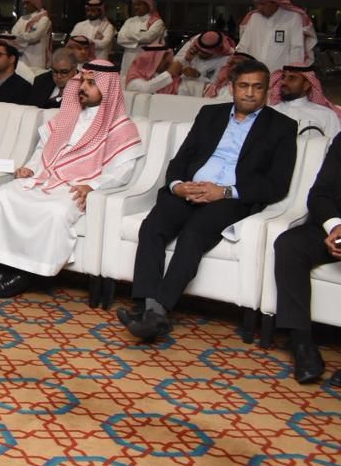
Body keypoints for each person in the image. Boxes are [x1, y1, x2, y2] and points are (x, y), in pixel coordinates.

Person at [120, 59, 297, 341]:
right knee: (153, 226)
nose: (250, 93)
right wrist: (178, 186)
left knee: (193, 234)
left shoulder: (282, 126)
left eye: (257, 87)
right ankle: (145, 306)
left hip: (230, 198)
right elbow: (181, 159)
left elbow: (276, 184)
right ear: (232, 88)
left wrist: (224, 191)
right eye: (244, 86)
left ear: (266, 91)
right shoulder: (210, 114)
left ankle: (157, 311)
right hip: (190, 189)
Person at [0, 61, 145, 299]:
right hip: (46, 178)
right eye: (82, 81)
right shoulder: (68, 115)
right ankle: (2, 268)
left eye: (91, 83)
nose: (82, 88)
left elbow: (122, 171)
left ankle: (27, 273)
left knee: (54, 212)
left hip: (76, 186)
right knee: (0, 197)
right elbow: (43, 149)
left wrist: (92, 186)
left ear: (108, 89)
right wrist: (30, 168)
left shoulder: (121, 127)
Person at [271, 136, 341, 386]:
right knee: (289, 245)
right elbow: (320, 194)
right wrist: (335, 226)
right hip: (336, 228)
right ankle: (301, 344)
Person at [237, 0, 317, 74]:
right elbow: (243, 46)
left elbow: (296, 49)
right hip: (254, 75)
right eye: (257, 4)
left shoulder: (293, 17)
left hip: (281, 77)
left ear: (275, 2)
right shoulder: (254, 18)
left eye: (263, 4)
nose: (259, 7)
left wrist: (292, 74)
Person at [270, 63, 341, 139]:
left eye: (291, 78)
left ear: (306, 85)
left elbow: (335, 145)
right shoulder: (269, 112)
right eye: (283, 77)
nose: (283, 82)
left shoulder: (326, 115)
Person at [117, 0, 166, 79]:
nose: (136, 7)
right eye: (135, 5)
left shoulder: (157, 22)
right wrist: (139, 41)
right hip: (128, 59)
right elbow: (120, 39)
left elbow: (148, 37)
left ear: (148, 5)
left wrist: (128, 35)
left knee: (142, 83)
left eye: (139, 4)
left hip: (146, 59)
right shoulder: (129, 21)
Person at [174, 30, 233, 96]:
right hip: (180, 90)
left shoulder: (226, 60)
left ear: (216, 52)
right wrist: (186, 60)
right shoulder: (194, 46)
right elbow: (173, 69)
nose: (200, 53)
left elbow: (215, 88)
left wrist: (197, 75)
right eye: (199, 49)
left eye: (205, 52)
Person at [11, 0, 52, 71]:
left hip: (36, 62)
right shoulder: (22, 18)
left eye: (27, 4)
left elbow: (34, 37)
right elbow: (13, 34)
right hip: (21, 61)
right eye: (24, 4)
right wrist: (26, 36)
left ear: (35, 3)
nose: (25, 6)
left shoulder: (44, 19)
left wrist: (20, 35)